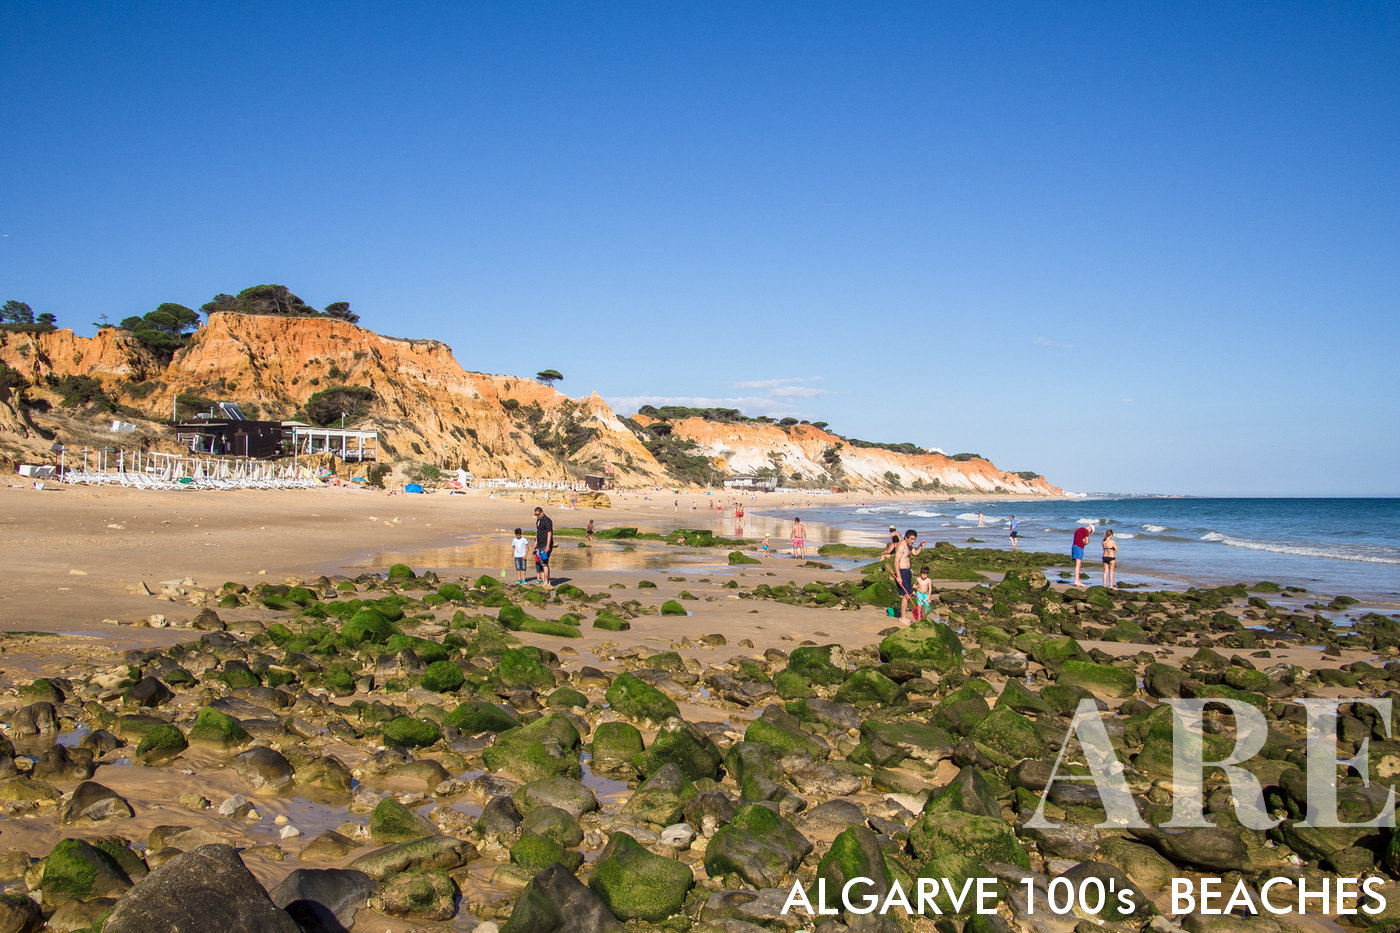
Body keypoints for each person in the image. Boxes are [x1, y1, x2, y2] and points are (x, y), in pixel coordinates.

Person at [890, 530, 927, 622]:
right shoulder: (902, 545)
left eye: (914, 539)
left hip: (907, 572)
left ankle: (903, 616)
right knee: (906, 595)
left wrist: (920, 546)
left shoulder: (909, 545)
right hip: (902, 572)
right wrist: (898, 577)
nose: (913, 541)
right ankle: (902, 618)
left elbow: (915, 553)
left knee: (908, 594)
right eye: (911, 539)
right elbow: (896, 561)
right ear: (906, 538)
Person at [533, 507, 555, 585]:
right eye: (535, 515)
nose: (537, 516)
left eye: (538, 514)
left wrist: (548, 546)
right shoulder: (538, 520)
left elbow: (549, 533)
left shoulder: (547, 520)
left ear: (542, 512)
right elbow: (538, 532)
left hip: (546, 544)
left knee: (545, 562)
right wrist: (535, 543)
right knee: (542, 562)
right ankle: (545, 580)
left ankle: (546, 581)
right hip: (540, 544)